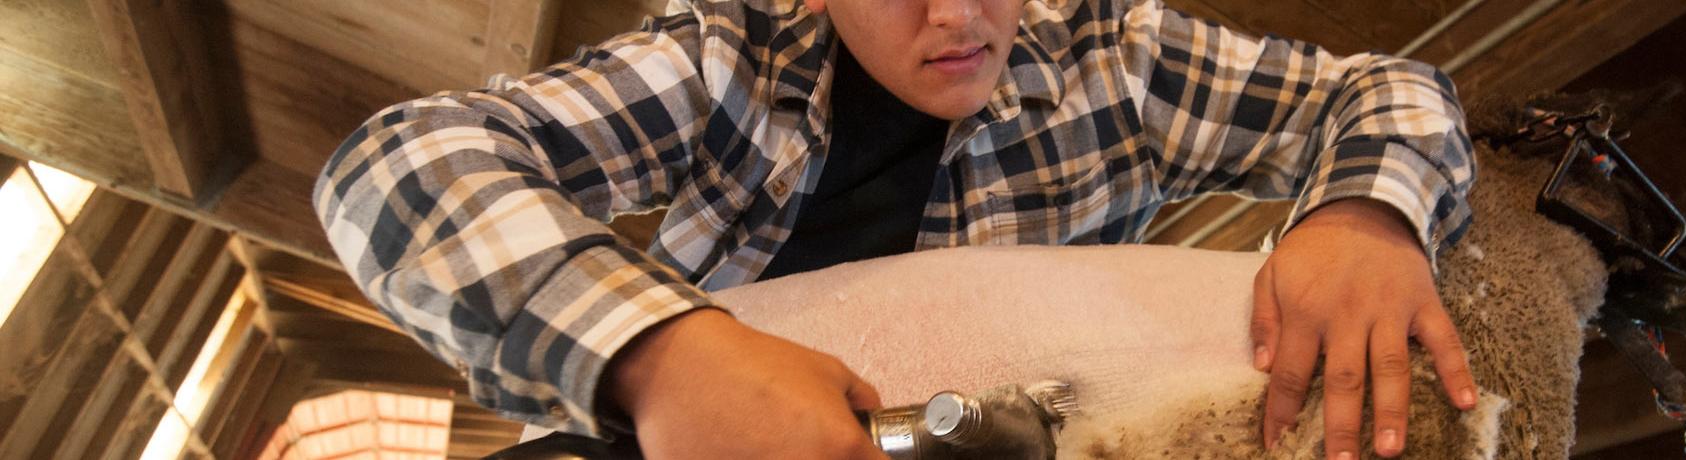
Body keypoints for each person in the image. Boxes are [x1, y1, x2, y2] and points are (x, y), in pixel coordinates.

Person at [312, 0, 1477, 457]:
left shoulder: (1114, 59)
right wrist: (662, 353)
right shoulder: (723, 55)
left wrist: (1362, 215)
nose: (959, 16)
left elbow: (1385, 90)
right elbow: (394, 163)